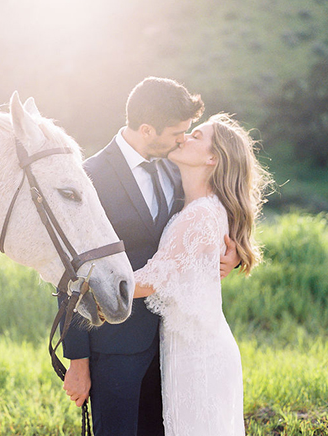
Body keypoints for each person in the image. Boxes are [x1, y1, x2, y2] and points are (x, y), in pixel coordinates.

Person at [61, 77, 241, 436]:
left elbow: (216, 203)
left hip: (173, 346)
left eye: (190, 133)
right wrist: (77, 359)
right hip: (115, 348)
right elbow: (66, 271)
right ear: (147, 129)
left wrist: (231, 249)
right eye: (179, 132)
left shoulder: (177, 167)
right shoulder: (90, 178)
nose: (183, 139)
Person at [132, 113, 270, 436]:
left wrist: (97, 285)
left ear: (212, 158)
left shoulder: (200, 216)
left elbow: (155, 277)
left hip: (199, 360)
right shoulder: (202, 207)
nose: (184, 138)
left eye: (196, 136)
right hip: (195, 350)